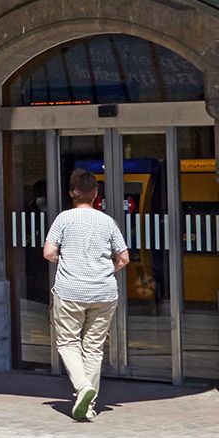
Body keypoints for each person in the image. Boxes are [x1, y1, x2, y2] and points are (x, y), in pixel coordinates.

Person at [43, 170, 131, 420]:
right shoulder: (107, 222)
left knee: (68, 342)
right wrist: (105, 270)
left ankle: (83, 387)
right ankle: (89, 406)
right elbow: (123, 258)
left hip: (70, 290)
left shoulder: (64, 219)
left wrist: (67, 262)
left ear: (72, 192)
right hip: (104, 292)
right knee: (93, 348)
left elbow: (48, 253)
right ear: (95, 194)